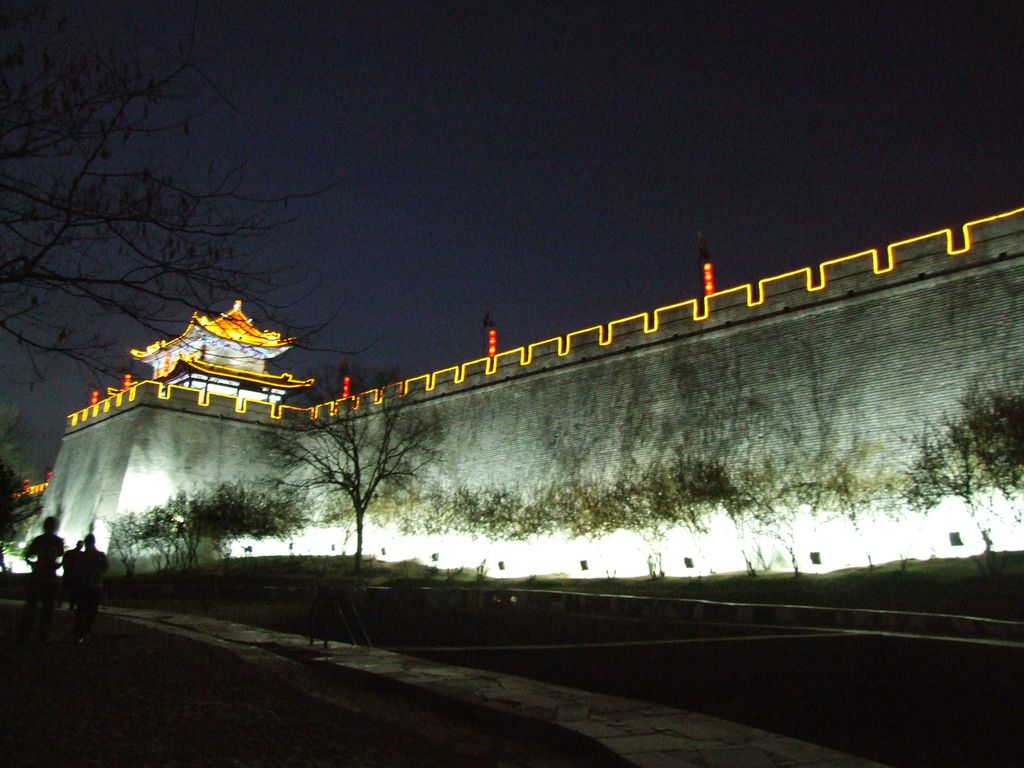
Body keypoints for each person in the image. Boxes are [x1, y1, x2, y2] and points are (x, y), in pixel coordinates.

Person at [17, 516, 65, 643]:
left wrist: (33, 564)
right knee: (48, 608)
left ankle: (25, 633)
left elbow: (27, 555)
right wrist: (57, 565)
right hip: (50, 577)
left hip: (37, 575)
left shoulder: (38, 540)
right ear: (55, 527)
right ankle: (44, 635)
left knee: (31, 606)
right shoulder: (58, 541)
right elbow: (60, 556)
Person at [74, 533, 108, 643]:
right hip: (95, 586)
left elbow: (77, 570)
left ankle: (79, 632)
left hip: (84, 586)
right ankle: (87, 630)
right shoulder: (100, 555)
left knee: (81, 609)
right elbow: (105, 568)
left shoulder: (81, 556)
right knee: (91, 610)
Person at [61, 540, 84, 611]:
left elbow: (64, 562)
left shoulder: (69, 553)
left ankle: (59, 603)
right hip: (75, 575)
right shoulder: (82, 555)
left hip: (68, 574)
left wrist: (66, 570)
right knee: (73, 591)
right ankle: (71, 606)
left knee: (64, 589)